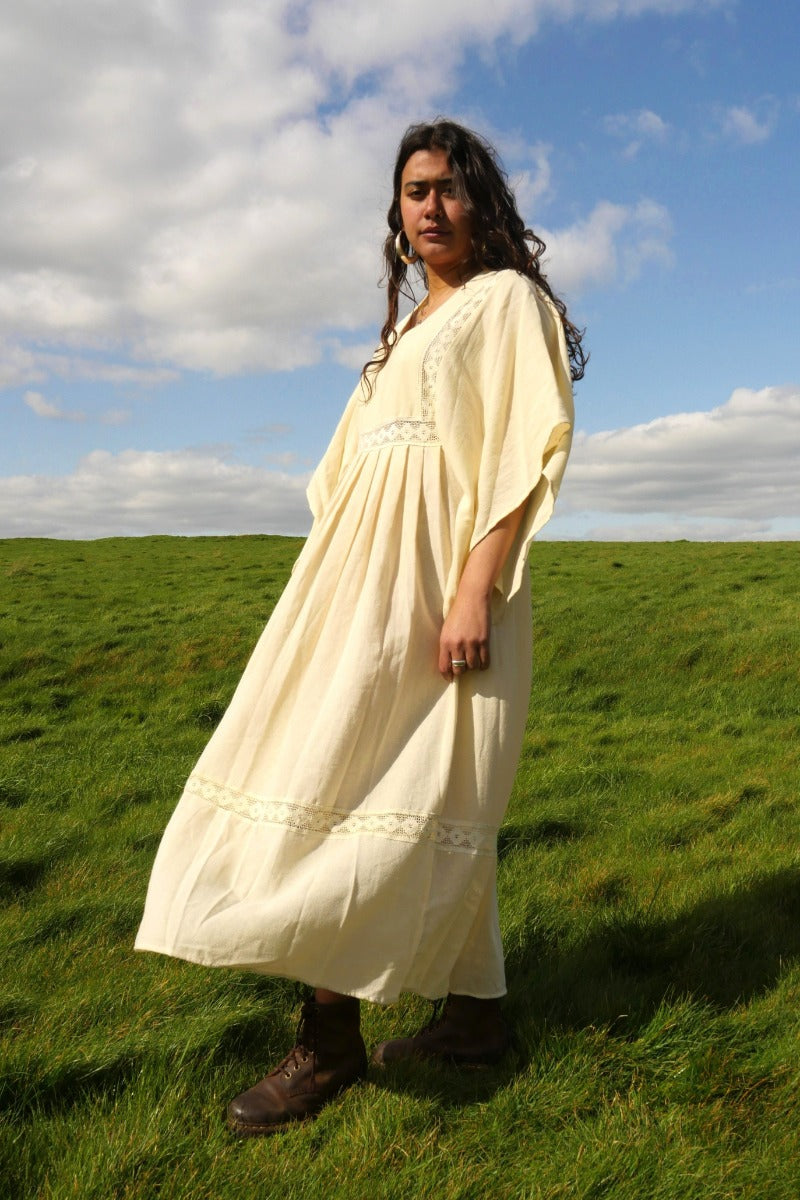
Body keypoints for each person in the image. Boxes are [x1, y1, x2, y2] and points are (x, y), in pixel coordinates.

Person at [135, 118, 585, 1136]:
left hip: (445, 591)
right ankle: (473, 1019)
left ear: (482, 203)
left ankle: (326, 1038)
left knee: (388, 789)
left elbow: (524, 450)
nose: (430, 205)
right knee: (363, 782)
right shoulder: (395, 345)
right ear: (396, 214)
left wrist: (475, 588)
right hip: (360, 596)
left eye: (448, 187)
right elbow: (341, 488)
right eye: (413, 190)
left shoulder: (505, 303)